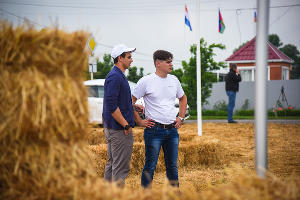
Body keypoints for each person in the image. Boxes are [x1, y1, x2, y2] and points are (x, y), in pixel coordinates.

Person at [132, 50, 187, 188]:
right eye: (168, 61)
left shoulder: (174, 80)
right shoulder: (146, 81)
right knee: (150, 166)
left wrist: (180, 117)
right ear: (158, 63)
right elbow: (129, 101)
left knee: (173, 167)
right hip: (154, 130)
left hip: (172, 131)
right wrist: (139, 121)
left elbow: (183, 98)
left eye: (171, 61)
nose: (171, 64)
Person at [102, 44, 153, 185]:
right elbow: (112, 106)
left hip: (116, 128)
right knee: (120, 168)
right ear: (120, 58)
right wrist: (126, 125)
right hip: (119, 129)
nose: (132, 60)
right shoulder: (115, 77)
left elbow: (117, 101)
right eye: (129, 57)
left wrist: (130, 106)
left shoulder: (118, 75)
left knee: (112, 164)